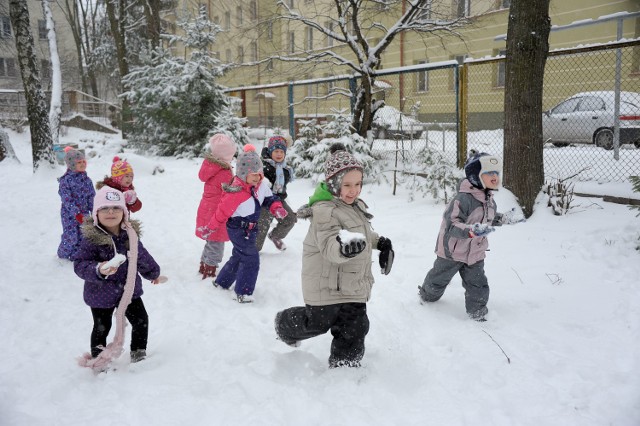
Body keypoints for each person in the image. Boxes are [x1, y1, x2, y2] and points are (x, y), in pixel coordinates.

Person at [274, 143, 394, 369]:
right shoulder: (324, 211)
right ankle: (285, 325)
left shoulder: (354, 205)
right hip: (326, 286)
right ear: (333, 183)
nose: (354, 190)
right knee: (317, 323)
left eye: (358, 184)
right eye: (347, 185)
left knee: (356, 326)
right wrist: (343, 248)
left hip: (352, 285)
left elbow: (361, 232)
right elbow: (330, 245)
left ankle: (345, 365)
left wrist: (379, 242)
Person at [418, 151, 522, 321]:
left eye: (496, 173)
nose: (494, 177)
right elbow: (452, 224)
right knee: (438, 279)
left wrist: (502, 219)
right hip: (452, 252)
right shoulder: (462, 199)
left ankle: (477, 311)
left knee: (478, 284)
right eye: (489, 173)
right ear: (475, 176)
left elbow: (487, 217)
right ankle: (427, 296)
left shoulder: (489, 200)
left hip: (475, 253)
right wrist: (471, 230)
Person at [74, 186, 161, 366]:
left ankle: (138, 352)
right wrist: (98, 269)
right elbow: (80, 264)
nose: (111, 212)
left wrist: (153, 272)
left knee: (141, 321)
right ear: (96, 213)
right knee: (101, 328)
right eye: (105, 208)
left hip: (129, 290)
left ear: (124, 212)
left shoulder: (130, 235)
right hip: (100, 293)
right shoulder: (91, 239)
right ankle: (99, 361)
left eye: (116, 208)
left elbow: (141, 256)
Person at [200, 144, 288, 303]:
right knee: (251, 259)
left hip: (252, 229)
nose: (257, 177)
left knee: (239, 256)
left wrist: (277, 208)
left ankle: (222, 282)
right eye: (253, 174)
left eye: (259, 174)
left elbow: (270, 199)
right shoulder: (235, 192)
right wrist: (210, 228)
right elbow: (221, 213)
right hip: (237, 229)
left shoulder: (260, 187)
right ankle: (243, 292)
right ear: (242, 173)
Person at [195, 134, 236, 279]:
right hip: (217, 212)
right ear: (226, 155)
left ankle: (204, 264)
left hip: (207, 209)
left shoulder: (211, 166)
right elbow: (229, 192)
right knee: (216, 242)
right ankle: (210, 269)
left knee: (211, 240)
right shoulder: (224, 171)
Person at [256, 135, 297, 251]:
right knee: (262, 227)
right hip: (265, 201)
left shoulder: (285, 169)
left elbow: (283, 186)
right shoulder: (263, 166)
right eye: (276, 151)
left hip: (279, 200)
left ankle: (275, 236)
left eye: (281, 151)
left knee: (290, 219)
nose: (279, 154)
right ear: (270, 151)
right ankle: (254, 251)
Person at [57, 146, 95, 260]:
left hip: (85, 213)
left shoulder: (87, 180)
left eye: (84, 161)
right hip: (69, 214)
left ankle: (76, 255)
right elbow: (66, 199)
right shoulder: (65, 180)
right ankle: (63, 254)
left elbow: (91, 196)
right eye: (79, 162)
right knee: (71, 236)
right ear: (72, 164)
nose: (83, 164)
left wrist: (94, 211)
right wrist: (76, 213)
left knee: (83, 235)